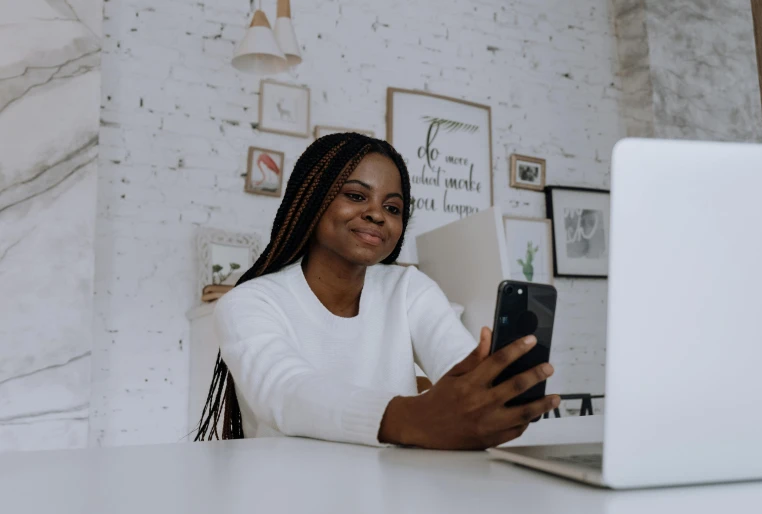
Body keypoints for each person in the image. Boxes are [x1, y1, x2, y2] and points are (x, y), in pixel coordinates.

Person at [194, 133, 560, 449]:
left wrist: (482, 383)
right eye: (355, 196)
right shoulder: (249, 302)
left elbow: (456, 361)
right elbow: (286, 394)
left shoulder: (407, 288)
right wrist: (414, 417)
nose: (377, 214)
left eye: (392, 207)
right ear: (312, 200)